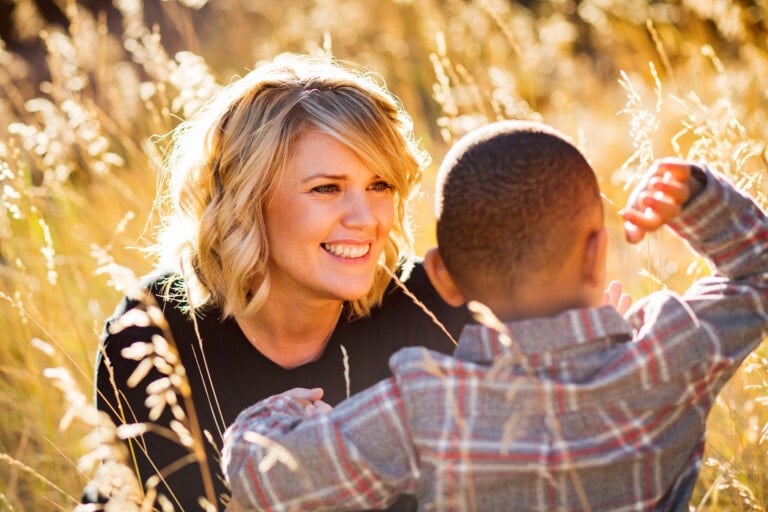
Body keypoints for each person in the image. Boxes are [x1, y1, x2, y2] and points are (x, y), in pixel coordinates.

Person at [220, 120, 768, 511]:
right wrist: (702, 200)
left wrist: (273, 415)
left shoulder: (425, 407)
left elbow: (263, 482)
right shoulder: (671, 354)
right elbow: (758, 275)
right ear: (598, 254)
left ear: (443, 277)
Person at [92, 54, 475, 511]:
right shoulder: (153, 331)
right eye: (326, 188)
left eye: (380, 185)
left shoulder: (433, 309)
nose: (366, 219)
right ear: (247, 199)